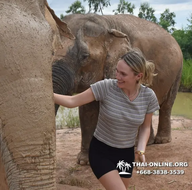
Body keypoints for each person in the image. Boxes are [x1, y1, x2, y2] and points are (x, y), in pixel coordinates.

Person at [53, 48, 160, 190]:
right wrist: (47, 93)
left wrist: (141, 150)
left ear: (138, 76)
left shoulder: (148, 96)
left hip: (126, 155)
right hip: (101, 152)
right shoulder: (106, 87)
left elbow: (146, 127)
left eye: (123, 74)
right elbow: (72, 101)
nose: (117, 76)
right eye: (117, 71)